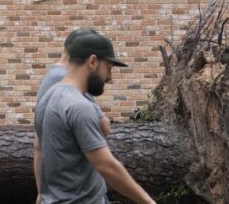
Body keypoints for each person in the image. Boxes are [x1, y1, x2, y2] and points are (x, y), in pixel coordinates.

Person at [34, 29, 156, 204]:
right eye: (108, 67)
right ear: (92, 62)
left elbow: (38, 147)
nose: (110, 76)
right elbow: (106, 166)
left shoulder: (47, 97)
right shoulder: (79, 106)